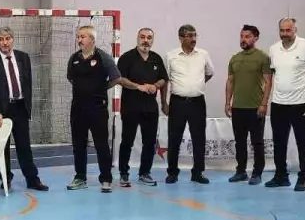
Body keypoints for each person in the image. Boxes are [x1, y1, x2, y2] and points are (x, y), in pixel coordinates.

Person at [0, 28, 49, 191]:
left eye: (8, 38)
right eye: (1, 39)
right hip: (1, 111)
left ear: (13, 39)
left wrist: (27, 107)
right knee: (3, 147)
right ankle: (6, 178)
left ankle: (32, 179)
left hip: (20, 107)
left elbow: (27, 84)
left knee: (24, 146)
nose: (5, 42)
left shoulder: (23, 58)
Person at [266, 18, 305, 191]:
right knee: (279, 141)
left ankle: (303, 177)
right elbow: (273, 74)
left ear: (295, 29)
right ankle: (281, 175)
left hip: (301, 103)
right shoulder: (273, 49)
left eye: (288, 30)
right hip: (278, 102)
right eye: (282, 30)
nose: (285, 34)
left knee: (303, 142)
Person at [65, 25, 121, 192]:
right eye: (78, 36)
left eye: (83, 36)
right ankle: (80, 177)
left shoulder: (104, 57)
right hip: (78, 108)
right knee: (78, 144)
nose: (79, 40)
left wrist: (100, 88)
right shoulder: (74, 58)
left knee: (101, 144)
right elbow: (70, 78)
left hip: (98, 108)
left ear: (92, 39)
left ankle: (106, 178)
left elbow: (116, 78)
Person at [163, 24, 215, 184]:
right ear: (181, 38)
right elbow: (165, 80)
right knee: (174, 138)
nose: (193, 39)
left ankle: (198, 173)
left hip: (197, 102)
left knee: (199, 138)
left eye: (194, 35)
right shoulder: (170, 56)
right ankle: (172, 172)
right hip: (177, 102)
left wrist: (195, 85)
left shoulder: (203, 54)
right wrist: (164, 102)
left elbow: (209, 73)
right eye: (189, 36)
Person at [116, 27, 167, 187]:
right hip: (130, 107)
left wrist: (155, 86)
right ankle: (124, 173)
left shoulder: (156, 58)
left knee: (150, 142)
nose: (146, 40)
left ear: (152, 40)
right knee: (127, 141)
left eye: (149, 38)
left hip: (150, 108)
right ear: (137, 38)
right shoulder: (127, 57)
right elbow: (120, 79)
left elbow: (163, 79)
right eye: (143, 37)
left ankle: (145, 173)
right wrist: (139, 87)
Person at [224, 24, 272, 185]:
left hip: (255, 108)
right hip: (238, 108)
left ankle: (257, 173)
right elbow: (230, 81)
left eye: (247, 36)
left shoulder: (263, 58)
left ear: (255, 38)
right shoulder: (235, 58)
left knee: (257, 142)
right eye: (241, 36)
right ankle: (241, 171)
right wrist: (227, 102)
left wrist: (264, 104)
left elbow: (268, 82)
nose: (243, 39)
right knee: (240, 142)